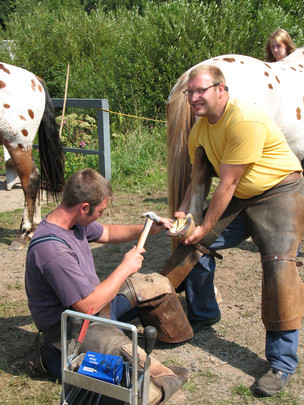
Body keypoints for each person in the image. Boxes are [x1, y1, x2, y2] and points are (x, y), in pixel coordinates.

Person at [172, 64, 304, 397]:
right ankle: (203, 312)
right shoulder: (199, 130)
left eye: (201, 90)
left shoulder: (242, 119)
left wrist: (204, 225)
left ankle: (282, 363)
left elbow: (227, 183)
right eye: (190, 92)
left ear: (221, 89)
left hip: (280, 191)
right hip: (243, 194)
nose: (194, 98)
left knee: (278, 266)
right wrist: (185, 214)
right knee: (191, 245)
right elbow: (199, 179)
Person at [25, 168, 193, 382]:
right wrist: (125, 267)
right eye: (100, 211)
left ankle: (167, 337)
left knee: (156, 285)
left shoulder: (73, 221)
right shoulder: (53, 251)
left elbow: (107, 232)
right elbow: (88, 306)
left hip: (96, 306)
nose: (101, 215)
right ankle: (51, 359)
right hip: (71, 330)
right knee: (136, 377)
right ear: (84, 208)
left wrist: (147, 229)